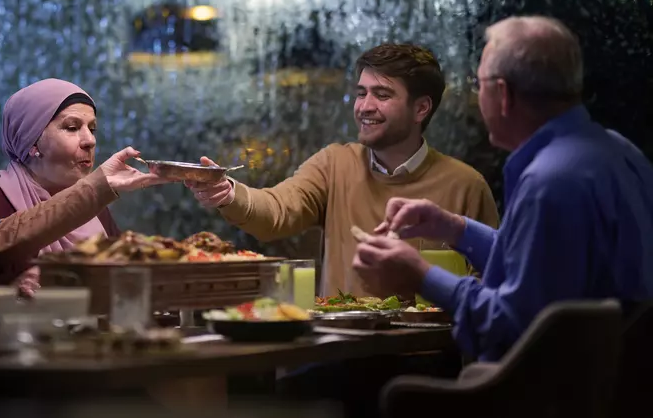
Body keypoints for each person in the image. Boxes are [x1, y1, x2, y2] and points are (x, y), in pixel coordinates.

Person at [354, 16, 653, 361]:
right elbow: (540, 265)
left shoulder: (550, 182)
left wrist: (421, 275)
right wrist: (455, 228)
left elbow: (508, 328)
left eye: (478, 85)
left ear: (502, 94)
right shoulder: (620, 152)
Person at [187, 44, 499, 298]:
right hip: (337, 349)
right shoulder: (335, 163)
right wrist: (227, 193)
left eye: (382, 94)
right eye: (362, 92)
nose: (364, 106)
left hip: (427, 359)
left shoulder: (466, 185)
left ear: (421, 108)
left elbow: (492, 286)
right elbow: (278, 211)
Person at [0, 79, 169, 295]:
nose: (90, 140)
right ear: (32, 142)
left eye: (93, 129)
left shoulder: (95, 210)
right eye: (72, 128)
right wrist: (5, 291)